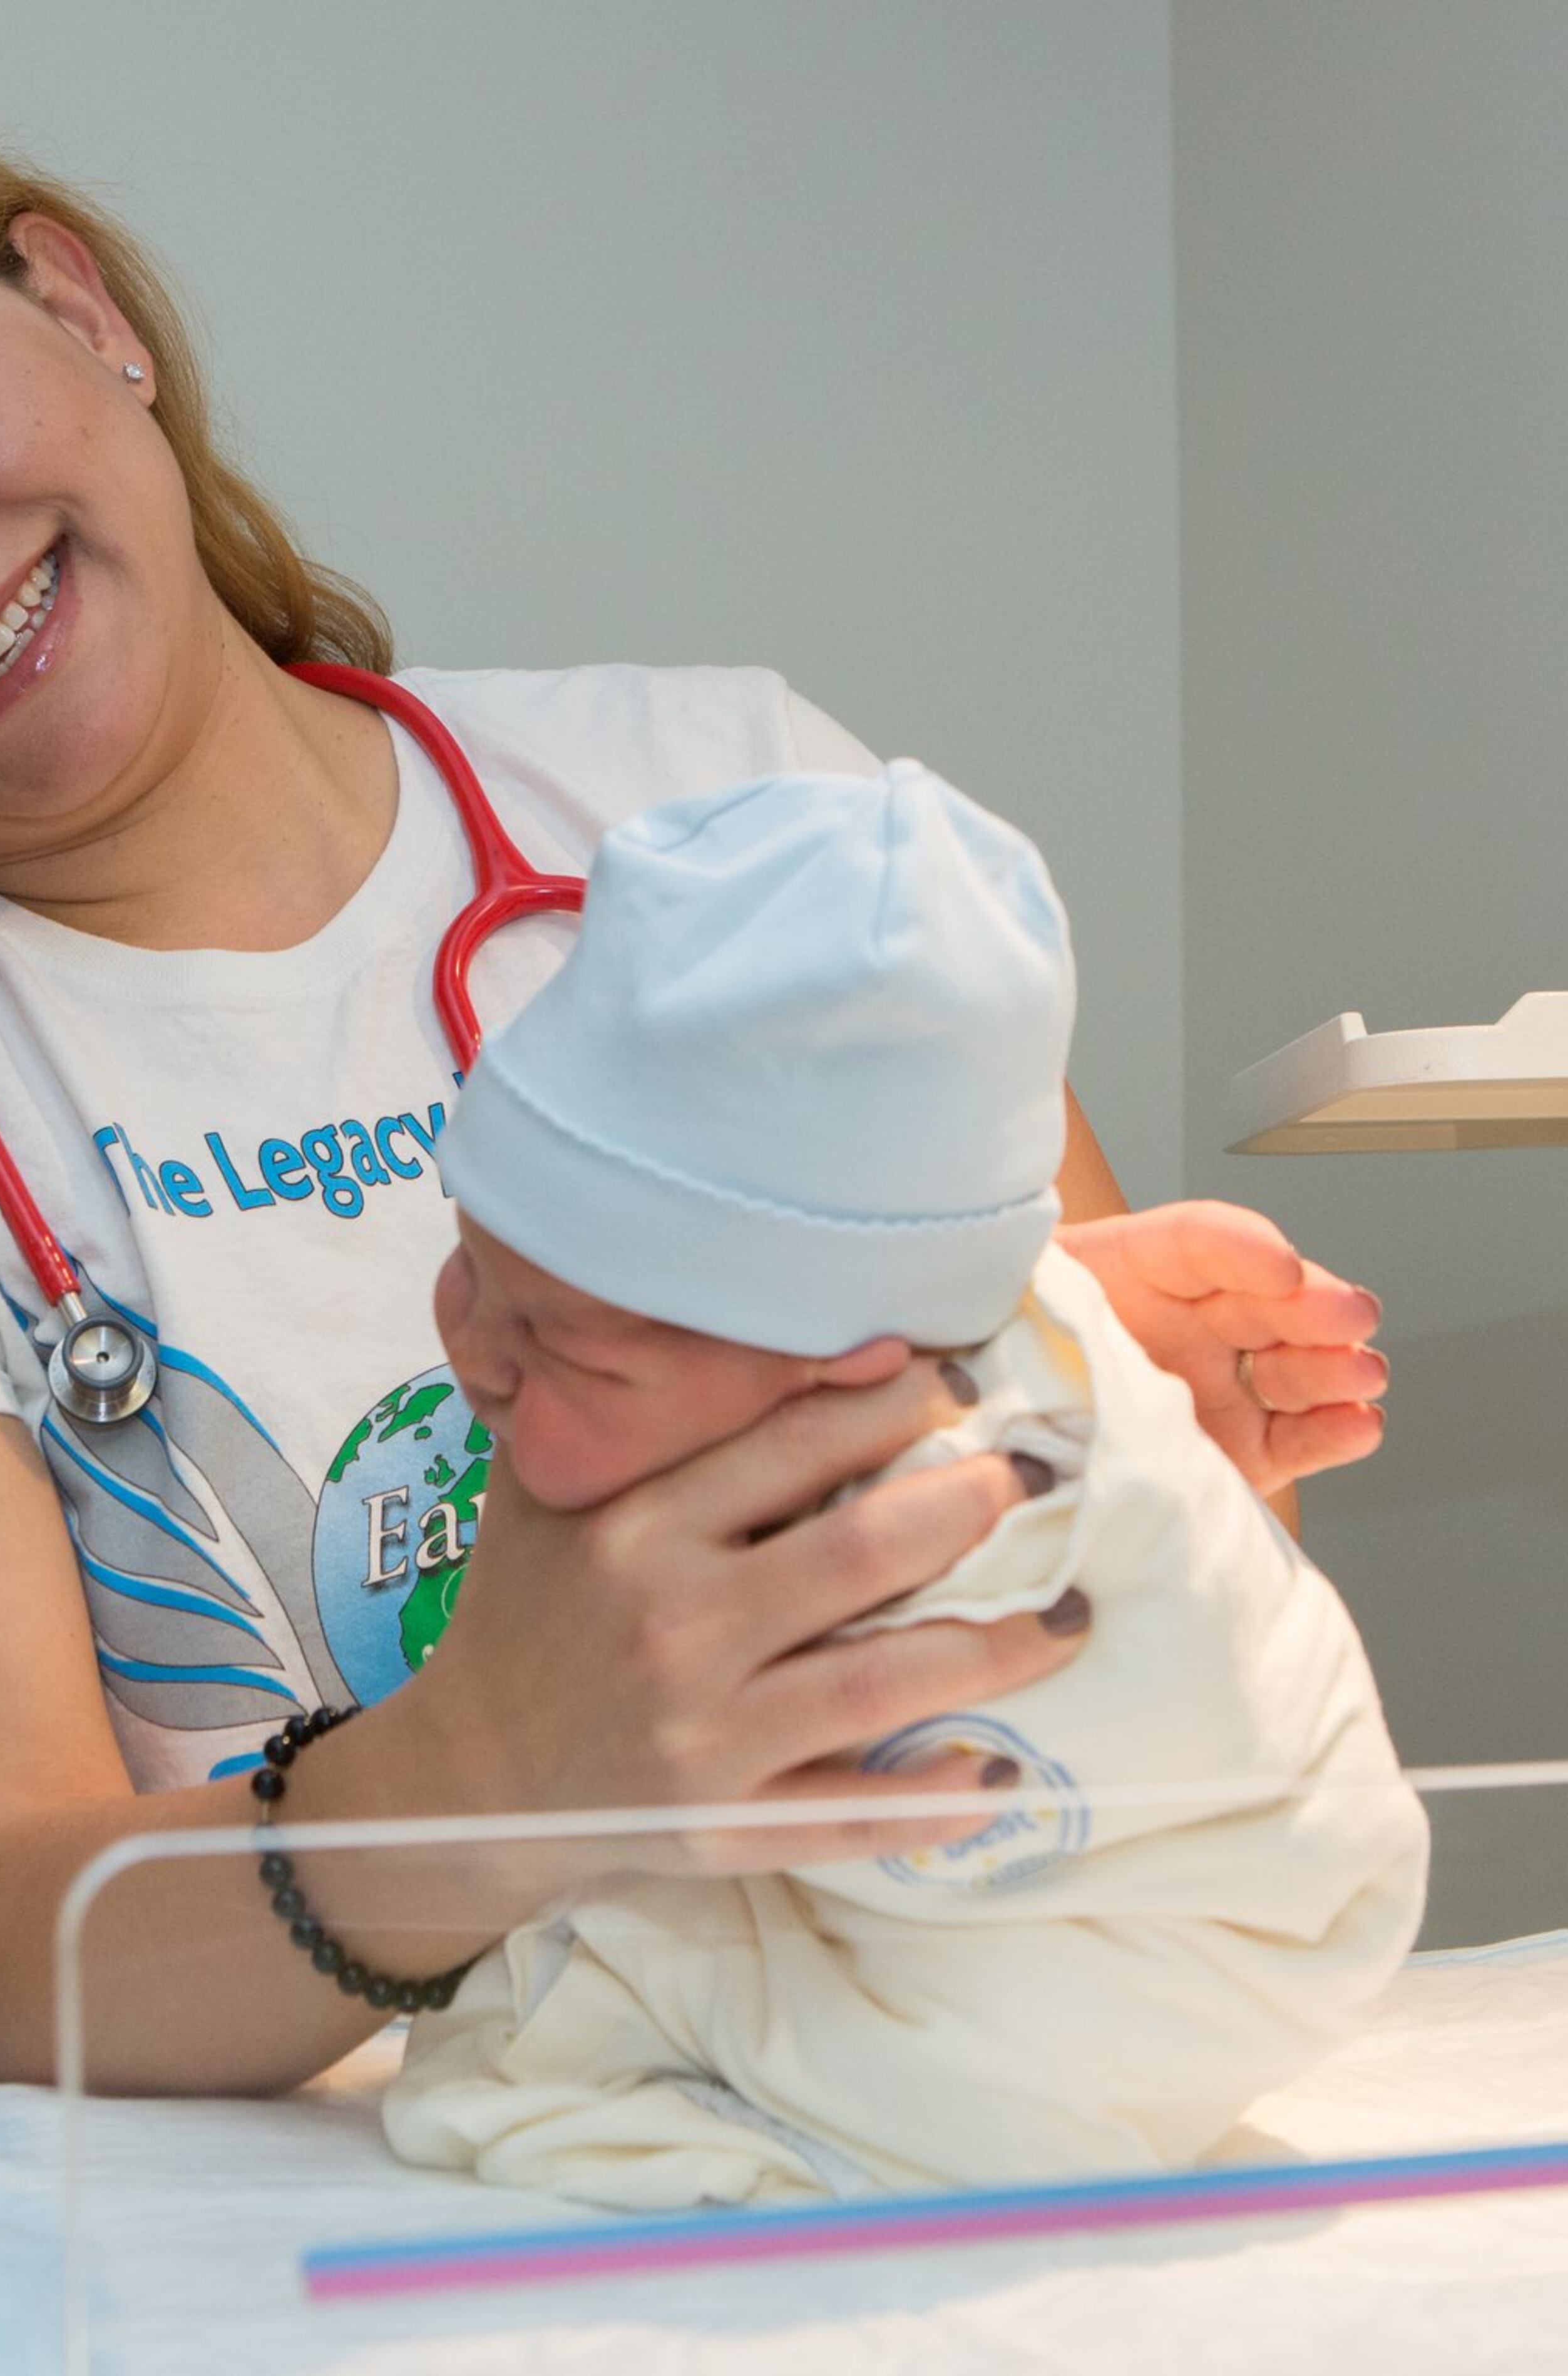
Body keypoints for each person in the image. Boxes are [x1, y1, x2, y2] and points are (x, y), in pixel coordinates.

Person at [0, 40, 1390, 2097]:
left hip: (955, 2099)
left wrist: (1112, 1422)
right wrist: (496, 1772)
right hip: (305, 2262)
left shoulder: (736, 804)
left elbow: (1114, 1637)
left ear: (82, 309)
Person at [378, 763, 1428, 2205]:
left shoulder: (955, 1499)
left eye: (551, 1337)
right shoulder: (936, 1317)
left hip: (1168, 1937)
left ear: (839, 1371)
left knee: (566, 2024)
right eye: (469, 1260)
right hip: (1299, 1933)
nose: (466, 1350)